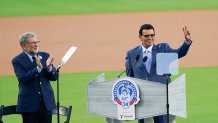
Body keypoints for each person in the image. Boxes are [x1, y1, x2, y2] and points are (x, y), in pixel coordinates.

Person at [125, 24, 192, 123]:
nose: (150, 38)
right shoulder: (132, 54)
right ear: (140, 37)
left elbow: (178, 53)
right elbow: (130, 77)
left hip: (161, 98)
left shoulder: (163, 48)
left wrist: (186, 42)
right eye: (146, 36)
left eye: (152, 35)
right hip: (142, 100)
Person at [12, 32, 57, 123]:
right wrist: (38, 68)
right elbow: (24, 78)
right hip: (29, 105)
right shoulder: (17, 60)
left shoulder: (45, 55)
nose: (36, 45)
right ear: (24, 46)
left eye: (37, 42)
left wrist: (49, 68)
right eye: (33, 43)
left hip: (46, 103)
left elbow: (54, 77)